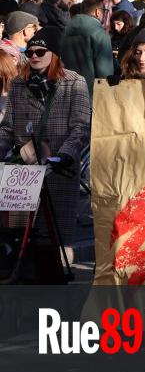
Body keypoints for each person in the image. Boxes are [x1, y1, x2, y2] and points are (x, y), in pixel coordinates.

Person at [0, 27, 91, 261]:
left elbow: (80, 127)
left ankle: (57, 288)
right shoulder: (20, 84)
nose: (34, 56)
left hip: (59, 170)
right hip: (24, 171)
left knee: (58, 239)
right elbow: (8, 127)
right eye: (30, 52)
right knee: (19, 233)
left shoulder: (74, 82)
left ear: (54, 54)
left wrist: (63, 156)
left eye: (41, 51)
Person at [60, 0, 114, 95]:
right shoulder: (100, 34)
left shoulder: (65, 30)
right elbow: (104, 72)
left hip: (66, 89)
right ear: (98, 12)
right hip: (91, 94)